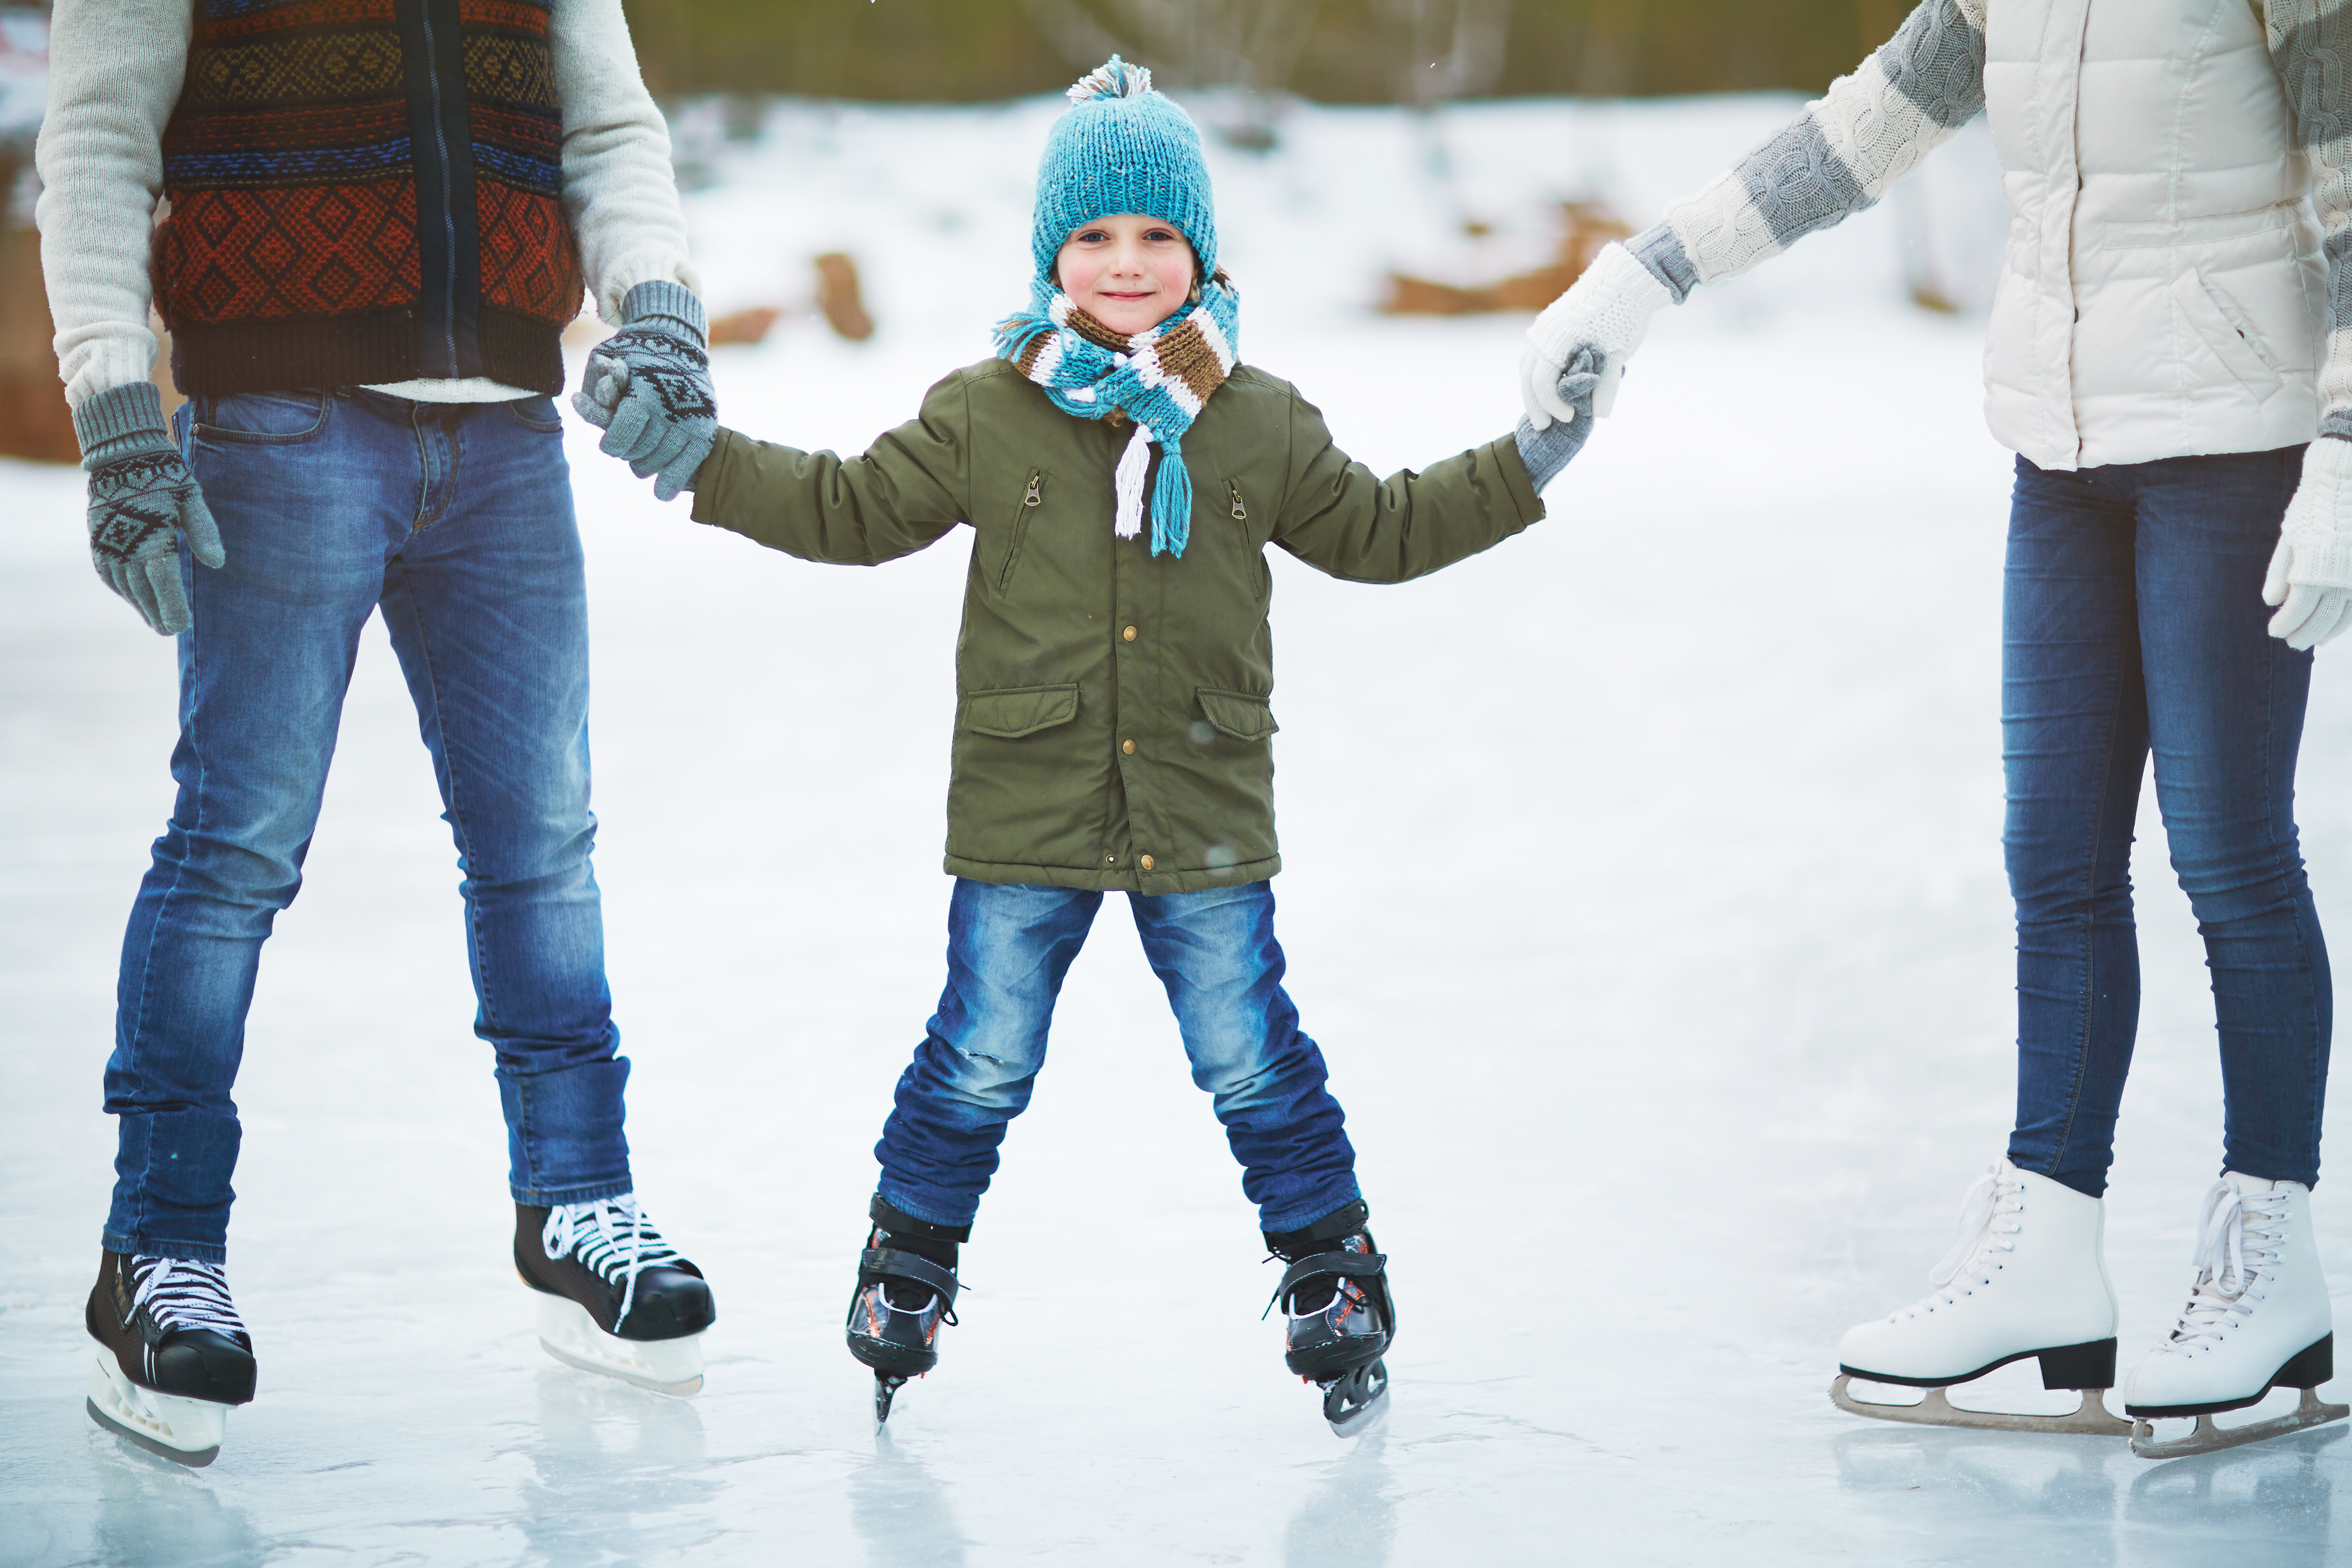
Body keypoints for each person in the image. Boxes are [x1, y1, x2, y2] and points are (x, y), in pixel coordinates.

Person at [576, 57, 1600, 1435]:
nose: (1128, 264)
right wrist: (703, 457)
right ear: (1054, 253)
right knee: (982, 1048)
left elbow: (1388, 527)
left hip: (1201, 792)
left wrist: (1526, 460)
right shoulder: (990, 409)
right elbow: (846, 506)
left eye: (1158, 236)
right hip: (1030, 797)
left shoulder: (1261, 417)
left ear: (1202, 253)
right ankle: (909, 1261)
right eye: (1097, 236)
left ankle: (1330, 1269)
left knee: (1248, 1045)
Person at [1520, 0, 2348, 1455]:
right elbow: (1863, 132)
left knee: (2227, 851)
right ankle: (2048, 1245)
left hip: (2237, 435)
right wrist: (1643, 275)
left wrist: (2345, 454)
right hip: (2063, 443)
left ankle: (2272, 1252)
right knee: (2057, 860)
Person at [40, 0, 723, 1467]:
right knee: (234, 849)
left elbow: (607, 126)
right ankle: (155, 1250)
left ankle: (576, 1202)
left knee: (542, 841)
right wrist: (114, 406)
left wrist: (654, 305)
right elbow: (94, 139)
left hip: (505, 448)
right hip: (280, 432)